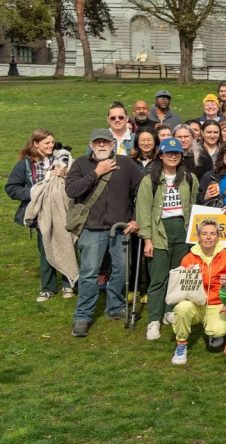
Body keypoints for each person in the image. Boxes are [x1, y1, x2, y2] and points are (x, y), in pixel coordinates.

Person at [66, 129, 144, 337]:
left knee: (121, 270)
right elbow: (72, 190)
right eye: (97, 142)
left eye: (105, 142)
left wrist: (136, 218)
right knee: (89, 273)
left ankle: (115, 307)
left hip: (121, 228)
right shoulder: (81, 164)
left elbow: (142, 190)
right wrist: (96, 173)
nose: (101, 146)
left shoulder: (126, 164)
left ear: (113, 144)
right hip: (91, 229)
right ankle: (82, 316)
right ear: (91, 145)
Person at [136, 138, 199, 341]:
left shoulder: (189, 178)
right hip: (159, 232)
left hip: (182, 231)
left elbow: (195, 205)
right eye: (169, 153)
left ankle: (169, 311)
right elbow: (143, 211)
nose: (173, 156)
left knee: (177, 276)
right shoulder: (150, 181)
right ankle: (153, 319)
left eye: (177, 153)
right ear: (160, 155)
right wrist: (147, 239)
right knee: (158, 279)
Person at [7, 129, 75, 302]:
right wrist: (35, 192)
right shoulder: (24, 165)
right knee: (45, 247)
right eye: (46, 143)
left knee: (68, 243)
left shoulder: (62, 159)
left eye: (52, 142)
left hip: (62, 210)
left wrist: (65, 173)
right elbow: (11, 188)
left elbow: (75, 180)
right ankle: (48, 287)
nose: (51, 146)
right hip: (40, 214)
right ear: (35, 144)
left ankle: (69, 283)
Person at [170, 220, 226, 365]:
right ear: (198, 237)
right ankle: (181, 345)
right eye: (204, 234)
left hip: (217, 303)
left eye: (212, 234)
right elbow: (182, 287)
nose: (208, 237)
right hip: (195, 303)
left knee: (217, 330)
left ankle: (213, 333)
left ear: (218, 236)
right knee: (182, 308)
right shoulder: (188, 258)